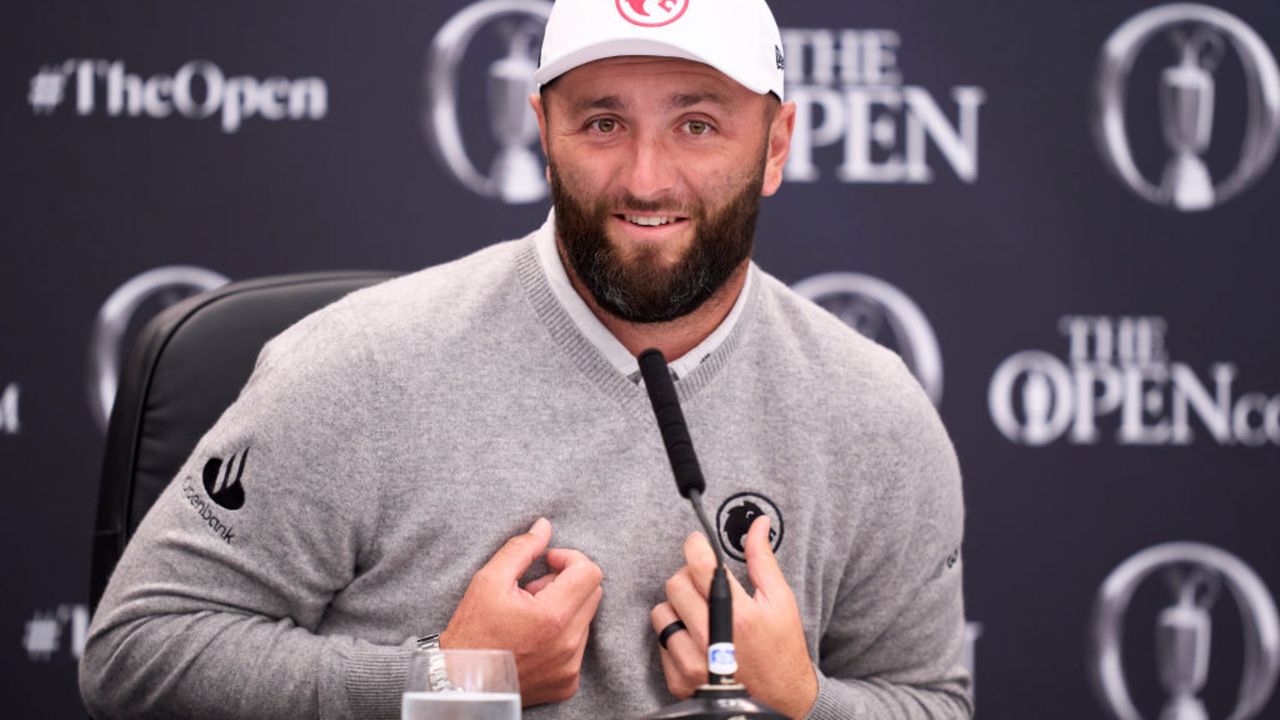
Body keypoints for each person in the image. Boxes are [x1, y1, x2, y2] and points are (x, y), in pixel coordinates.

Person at [80, 0, 972, 718]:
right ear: (542, 130)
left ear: (775, 146)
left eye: (699, 125)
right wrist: (448, 681)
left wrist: (804, 701)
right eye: (603, 123)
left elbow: (930, 700)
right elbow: (136, 653)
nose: (647, 178)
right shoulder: (365, 363)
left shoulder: (871, 411)